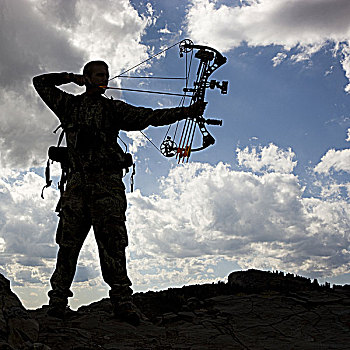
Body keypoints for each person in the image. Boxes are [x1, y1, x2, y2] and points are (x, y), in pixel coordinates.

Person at [33, 60, 205, 325]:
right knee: (67, 246)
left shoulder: (112, 108)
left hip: (107, 188)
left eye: (107, 75)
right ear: (87, 77)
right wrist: (70, 77)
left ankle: (123, 303)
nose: (105, 79)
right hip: (77, 188)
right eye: (99, 75)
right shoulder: (69, 105)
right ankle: (57, 303)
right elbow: (40, 82)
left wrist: (187, 111)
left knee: (114, 246)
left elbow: (150, 117)